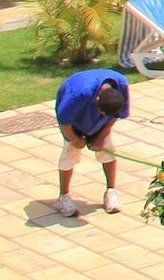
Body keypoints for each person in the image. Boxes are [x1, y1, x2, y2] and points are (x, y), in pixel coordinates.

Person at [52, 67, 129, 216]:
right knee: (70, 152)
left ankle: (111, 191)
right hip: (74, 117)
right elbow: (63, 120)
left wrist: (102, 135)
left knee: (108, 149)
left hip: (101, 116)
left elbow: (115, 116)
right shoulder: (79, 93)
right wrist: (75, 139)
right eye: (101, 112)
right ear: (97, 99)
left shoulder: (122, 85)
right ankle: (63, 196)